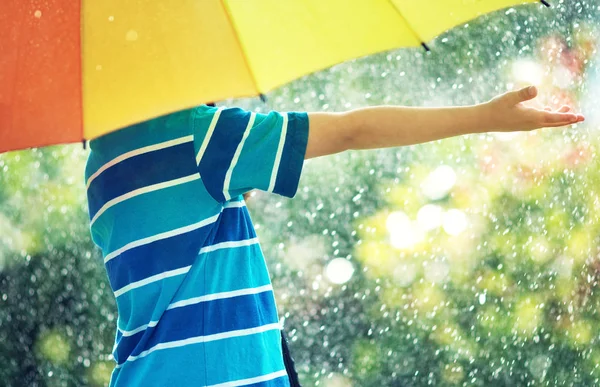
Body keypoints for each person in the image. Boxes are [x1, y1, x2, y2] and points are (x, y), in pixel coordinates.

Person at [84, 86, 584, 387]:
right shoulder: (203, 136)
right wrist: (482, 117)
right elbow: (351, 131)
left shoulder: (100, 163)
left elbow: (173, 236)